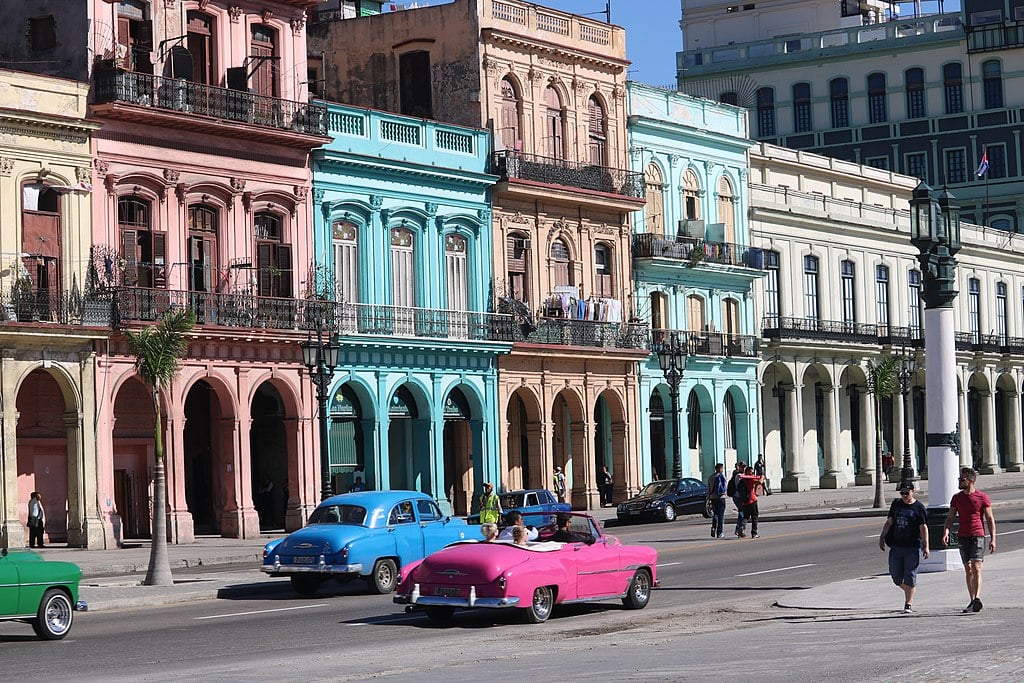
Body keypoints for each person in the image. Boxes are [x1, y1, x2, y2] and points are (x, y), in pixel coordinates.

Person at [942, 467, 996, 613]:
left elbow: (990, 519)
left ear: (971, 481)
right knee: (968, 569)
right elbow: (950, 518)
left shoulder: (982, 497)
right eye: (960, 478)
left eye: (962, 479)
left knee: (977, 566)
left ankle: (977, 598)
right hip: (962, 536)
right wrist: (946, 532)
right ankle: (972, 601)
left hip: (977, 535)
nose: (959, 481)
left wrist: (993, 539)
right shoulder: (957, 498)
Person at [879, 481, 930, 613]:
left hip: (912, 547)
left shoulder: (919, 508)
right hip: (896, 546)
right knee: (895, 576)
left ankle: (908, 603)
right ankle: (909, 590)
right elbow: (889, 522)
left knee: (910, 575)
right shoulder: (896, 504)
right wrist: (882, 537)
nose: (904, 496)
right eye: (902, 493)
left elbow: (923, 527)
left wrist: (926, 545)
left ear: (913, 491)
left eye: (906, 493)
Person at [735, 467, 764, 538]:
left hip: (744, 501)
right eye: (752, 472)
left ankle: (741, 527)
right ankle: (754, 533)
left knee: (746, 516)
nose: (753, 473)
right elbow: (760, 482)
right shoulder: (750, 479)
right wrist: (762, 476)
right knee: (754, 517)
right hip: (752, 500)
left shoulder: (742, 480)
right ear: (749, 472)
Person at [707, 463, 727, 539]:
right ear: (720, 468)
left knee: (715, 514)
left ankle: (713, 527)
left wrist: (709, 498)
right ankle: (720, 532)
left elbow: (708, 489)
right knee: (721, 515)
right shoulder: (722, 476)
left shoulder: (711, 477)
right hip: (721, 497)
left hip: (713, 497)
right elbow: (725, 486)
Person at [728, 462, 746, 535]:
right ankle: (739, 530)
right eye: (742, 467)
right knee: (742, 513)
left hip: (741, 497)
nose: (743, 468)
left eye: (744, 467)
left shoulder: (743, 475)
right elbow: (739, 487)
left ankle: (738, 529)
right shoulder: (738, 476)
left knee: (742, 513)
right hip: (738, 497)